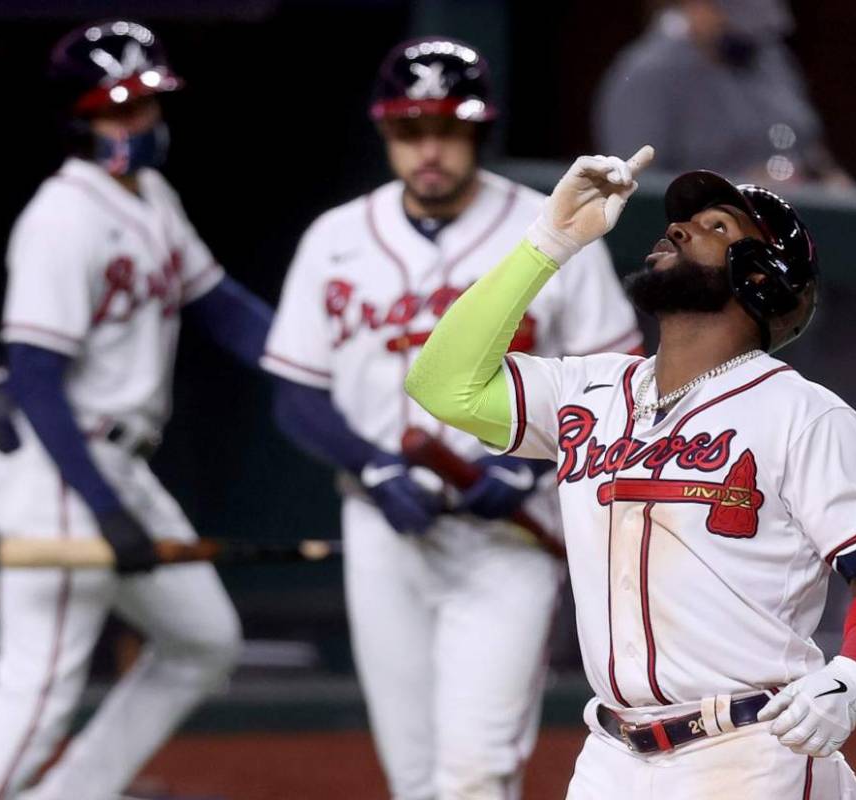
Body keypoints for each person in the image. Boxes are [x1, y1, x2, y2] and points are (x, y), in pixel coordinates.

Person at [405, 146, 856, 796]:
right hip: (611, 756)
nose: (679, 227)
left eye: (718, 227)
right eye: (685, 221)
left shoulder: (803, 415)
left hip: (752, 750)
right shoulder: (589, 390)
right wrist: (548, 241)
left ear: (761, 277)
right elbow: (442, 385)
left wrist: (852, 678)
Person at [262, 37, 642, 800]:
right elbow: (296, 393)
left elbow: (618, 381)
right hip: (384, 528)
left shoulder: (554, 225)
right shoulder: (336, 239)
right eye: (410, 129)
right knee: (413, 777)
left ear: (479, 131)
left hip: (511, 532)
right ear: (385, 132)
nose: (429, 148)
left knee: (475, 772)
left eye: (448, 128)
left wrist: (524, 463)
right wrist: (372, 465)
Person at [0, 20, 273, 800]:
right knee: (38, 686)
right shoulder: (62, 217)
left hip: (119, 461)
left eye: (144, 107)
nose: (135, 125)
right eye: (114, 110)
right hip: (57, 462)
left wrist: (309, 358)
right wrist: (102, 511)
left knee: (203, 640)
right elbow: (34, 377)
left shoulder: (151, 195)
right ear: (78, 119)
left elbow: (221, 306)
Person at [594, 0, 849, 186]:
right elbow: (635, 186)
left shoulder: (767, 56)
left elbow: (804, 136)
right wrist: (735, 189)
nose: (748, 33)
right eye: (737, 20)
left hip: (790, 223)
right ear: (698, 7)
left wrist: (828, 178)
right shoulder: (647, 76)